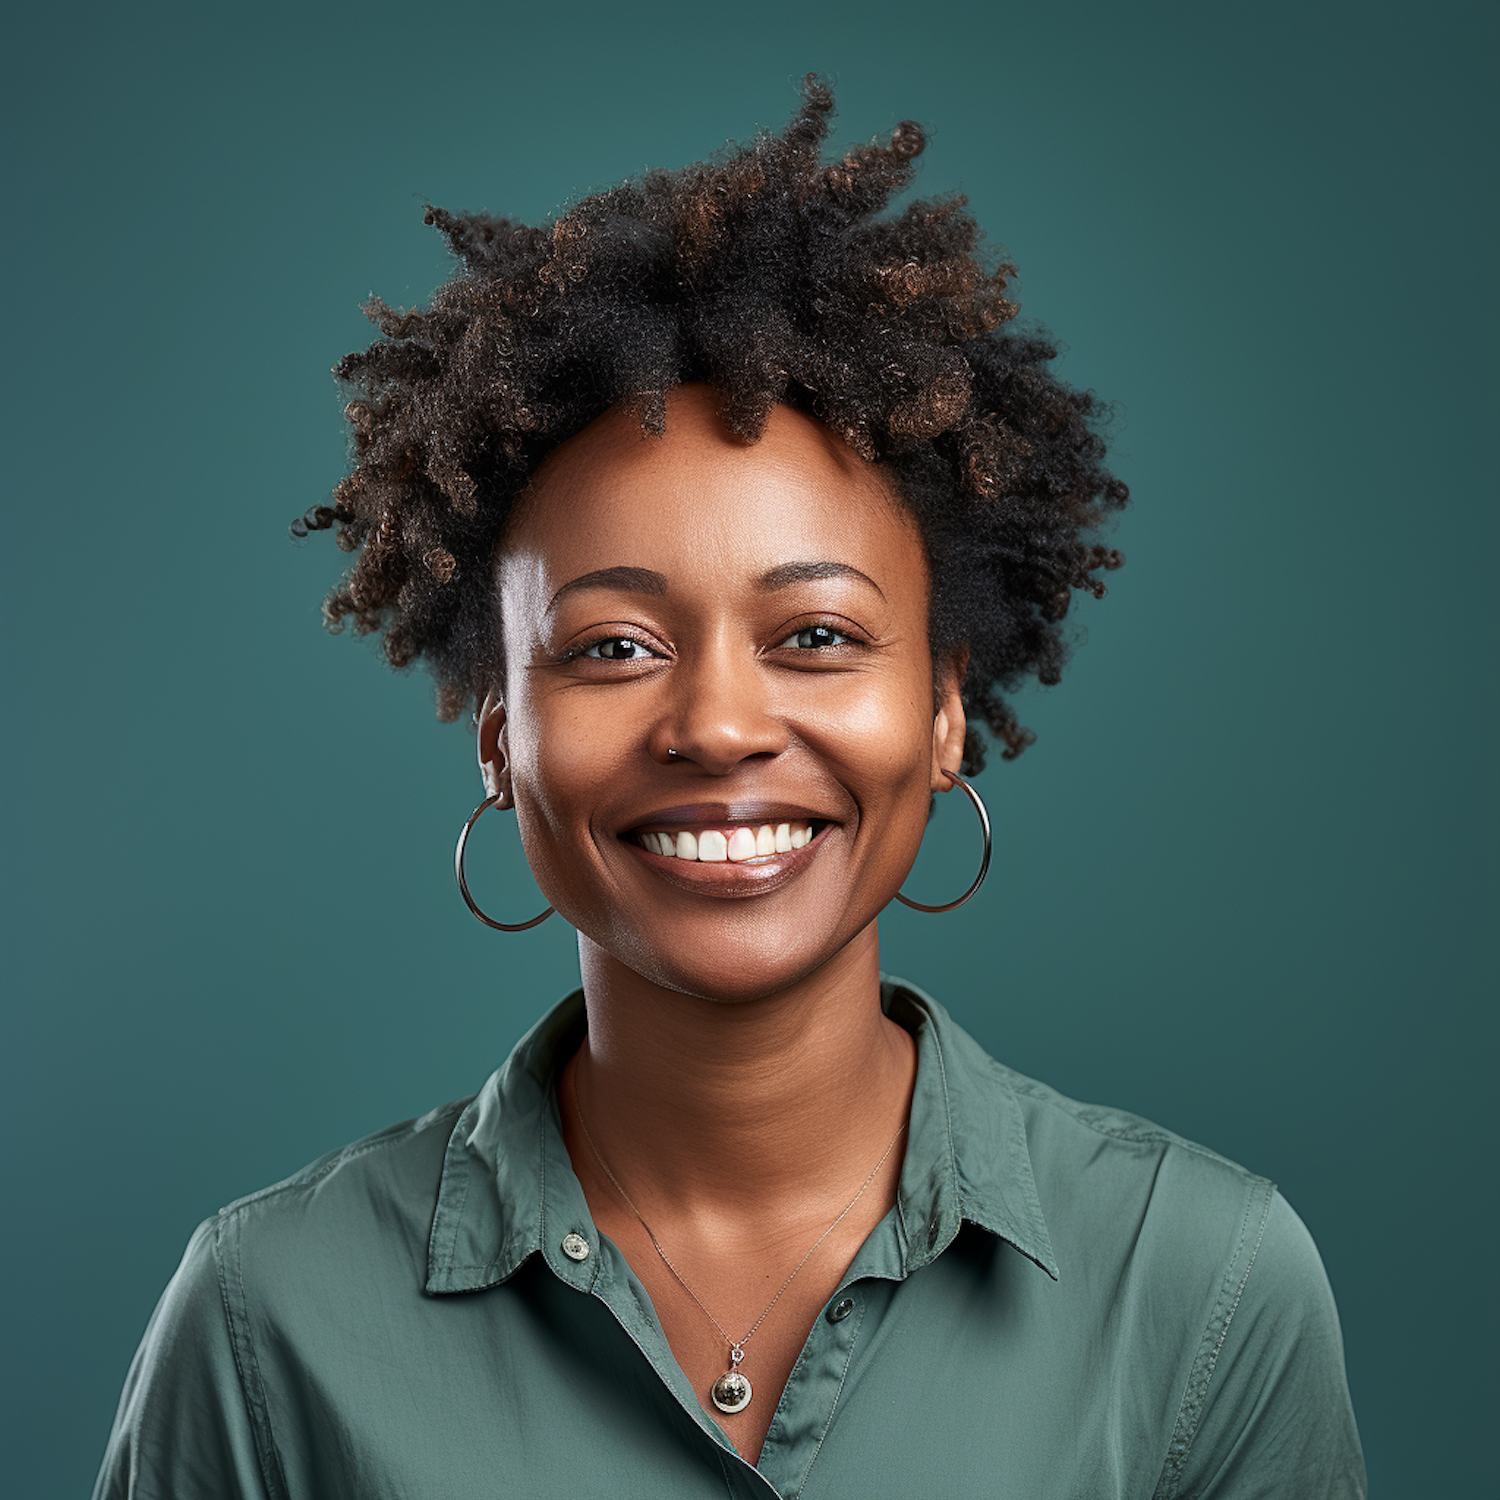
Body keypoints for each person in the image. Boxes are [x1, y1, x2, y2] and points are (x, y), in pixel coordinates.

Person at [93, 76, 1366, 1498]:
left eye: (815, 636)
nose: (715, 723)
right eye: (614, 645)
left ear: (944, 711)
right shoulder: (271, 1326)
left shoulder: (1205, 1293)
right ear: (500, 736)